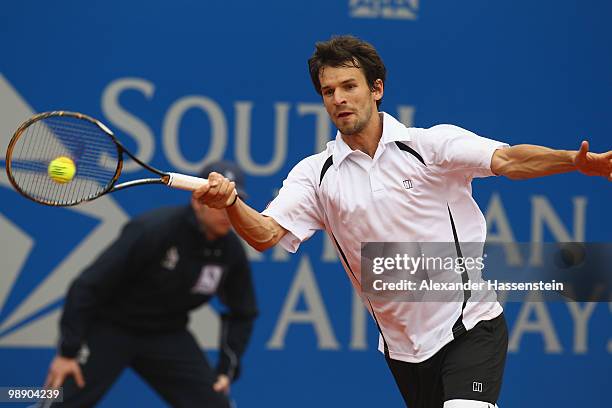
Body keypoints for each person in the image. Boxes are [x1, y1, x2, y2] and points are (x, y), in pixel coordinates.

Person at [192, 36, 612, 408]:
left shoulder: (430, 146)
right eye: (328, 91)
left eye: (349, 87)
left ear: (376, 90)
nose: (338, 98)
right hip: (402, 350)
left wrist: (571, 163)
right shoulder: (315, 175)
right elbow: (266, 234)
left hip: (470, 326)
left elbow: (508, 160)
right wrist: (231, 203)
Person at [45, 161, 258, 408]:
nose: (225, 210)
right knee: (57, 403)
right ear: (197, 201)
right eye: (217, 201)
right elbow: (87, 285)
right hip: (110, 327)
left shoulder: (231, 250)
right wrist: (67, 352)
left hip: (167, 334)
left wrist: (225, 370)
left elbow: (243, 312)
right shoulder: (154, 229)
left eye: (231, 201)